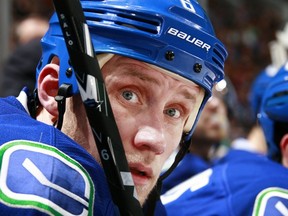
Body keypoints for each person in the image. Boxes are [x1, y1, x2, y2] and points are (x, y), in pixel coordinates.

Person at [0, 0, 227, 215]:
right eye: (129, 95)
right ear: (52, 90)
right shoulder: (38, 185)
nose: (156, 141)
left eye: (173, 111)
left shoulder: (144, 205)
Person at [161, 63, 288, 216]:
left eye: (219, 94)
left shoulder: (221, 164)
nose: (215, 104)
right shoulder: (171, 167)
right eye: (202, 95)